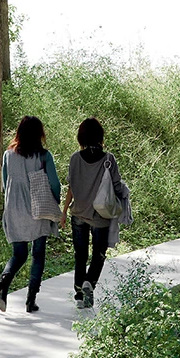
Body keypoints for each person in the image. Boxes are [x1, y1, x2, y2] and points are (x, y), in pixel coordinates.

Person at [61, 116, 128, 309]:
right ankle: (90, 282)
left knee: (80, 255)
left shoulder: (75, 159)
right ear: (100, 136)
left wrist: (64, 211)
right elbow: (116, 186)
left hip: (78, 214)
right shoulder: (109, 159)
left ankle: (80, 296)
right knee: (98, 255)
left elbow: (71, 187)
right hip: (101, 216)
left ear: (80, 137)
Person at [0, 115, 61, 313]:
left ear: (20, 132)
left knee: (19, 254)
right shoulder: (43, 156)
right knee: (38, 254)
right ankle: (30, 300)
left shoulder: (8, 155)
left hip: (14, 209)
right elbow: (55, 184)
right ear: (39, 133)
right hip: (38, 209)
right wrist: (54, 202)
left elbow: (5, 184)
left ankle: (3, 283)